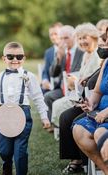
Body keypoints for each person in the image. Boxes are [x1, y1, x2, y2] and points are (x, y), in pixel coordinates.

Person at [0, 42, 50, 175]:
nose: (15, 60)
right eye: (10, 56)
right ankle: (7, 164)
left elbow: (38, 97)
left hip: (23, 114)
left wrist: (44, 117)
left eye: (19, 57)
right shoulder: (0, 76)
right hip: (4, 115)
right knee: (4, 151)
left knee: (20, 151)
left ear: (24, 58)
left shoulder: (29, 76)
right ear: (4, 58)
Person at [72, 27, 108, 174]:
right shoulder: (106, 62)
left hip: (105, 115)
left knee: (100, 133)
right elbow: (98, 91)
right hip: (100, 113)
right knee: (79, 130)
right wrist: (90, 103)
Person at [51, 22, 101, 128]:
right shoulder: (86, 54)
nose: (82, 41)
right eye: (79, 38)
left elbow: (95, 80)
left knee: (60, 109)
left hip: (91, 98)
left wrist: (76, 81)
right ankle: (61, 130)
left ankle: (63, 130)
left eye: (84, 38)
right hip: (80, 94)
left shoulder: (98, 55)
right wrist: (73, 81)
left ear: (94, 37)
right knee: (57, 105)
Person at [44, 25, 84, 128]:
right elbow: (52, 73)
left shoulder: (81, 51)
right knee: (48, 96)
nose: (63, 41)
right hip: (63, 88)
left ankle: (63, 125)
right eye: (61, 38)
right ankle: (55, 126)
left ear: (74, 37)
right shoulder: (62, 53)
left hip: (76, 88)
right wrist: (58, 58)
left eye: (66, 38)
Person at [41, 22, 63, 94]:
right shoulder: (48, 52)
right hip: (50, 85)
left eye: (55, 34)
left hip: (62, 85)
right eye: (51, 34)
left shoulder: (67, 50)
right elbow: (45, 71)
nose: (53, 37)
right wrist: (45, 80)